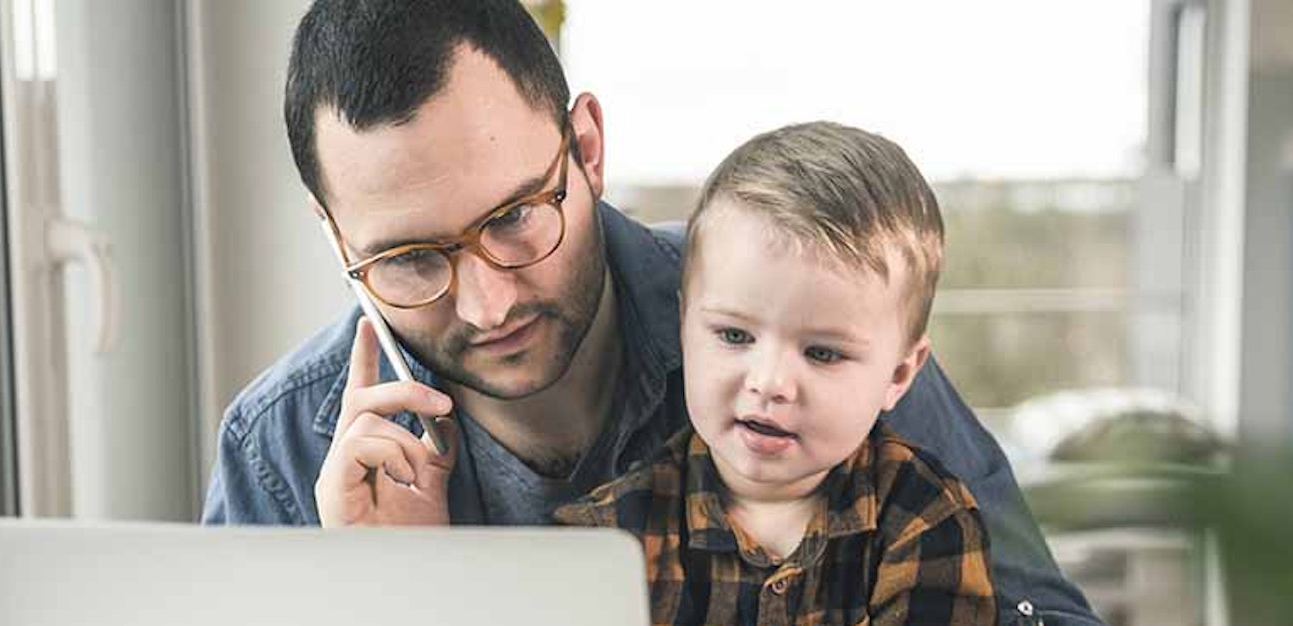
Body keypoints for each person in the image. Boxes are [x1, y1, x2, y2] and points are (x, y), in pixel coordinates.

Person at [200, 1, 1099, 623]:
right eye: (408, 258)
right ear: (333, 233)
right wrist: (388, 604)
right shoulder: (282, 451)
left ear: (586, 147)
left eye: (514, 217)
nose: (489, 301)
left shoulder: (810, 319)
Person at [553, 121, 994, 625]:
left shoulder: (927, 519)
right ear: (683, 326)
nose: (768, 383)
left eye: (823, 353)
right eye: (734, 336)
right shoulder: (606, 538)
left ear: (898, 375)